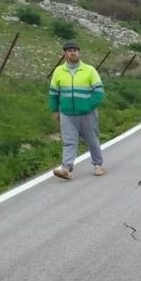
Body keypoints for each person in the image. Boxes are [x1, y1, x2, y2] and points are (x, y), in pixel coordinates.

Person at [48, 41, 106, 180]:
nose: (72, 52)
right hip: (66, 113)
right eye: (69, 50)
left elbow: (99, 92)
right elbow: (53, 93)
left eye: (74, 50)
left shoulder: (89, 70)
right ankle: (66, 169)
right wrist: (55, 110)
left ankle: (98, 165)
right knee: (69, 141)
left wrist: (89, 106)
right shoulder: (59, 71)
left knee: (92, 140)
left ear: (79, 52)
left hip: (87, 113)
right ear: (65, 53)